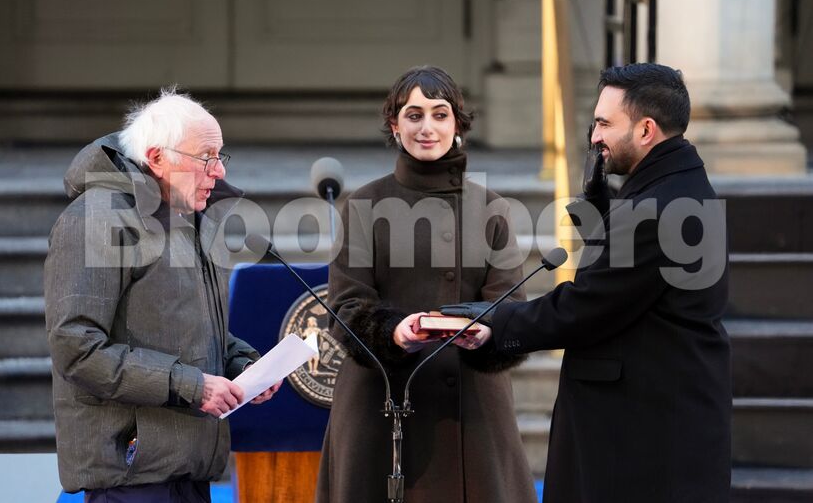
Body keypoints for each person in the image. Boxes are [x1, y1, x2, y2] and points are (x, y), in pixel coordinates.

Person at [443, 63, 732, 503]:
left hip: (640, 441)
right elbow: (627, 283)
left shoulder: (656, 209)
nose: (594, 136)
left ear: (646, 130)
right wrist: (598, 207)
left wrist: (497, 323)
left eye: (603, 123)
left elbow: (588, 305)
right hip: (650, 428)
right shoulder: (678, 187)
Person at [44, 88, 281, 502]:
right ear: (156, 158)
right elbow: (76, 348)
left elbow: (189, 329)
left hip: (189, 467)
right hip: (131, 472)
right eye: (206, 157)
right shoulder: (95, 219)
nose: (219, 171)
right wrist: (192, 386)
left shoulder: (189, 219)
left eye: (220, 156)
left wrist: (242, 366)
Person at [316, 66, 537, 503]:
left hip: (470, 411)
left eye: (439, 114)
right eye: (414, 116)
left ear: (458, 124)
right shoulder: (363, 205)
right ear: (394, 126)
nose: (427, 128)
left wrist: (487, 332)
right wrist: (394, 333)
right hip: (380, 405)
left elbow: (511, 307)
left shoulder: (492, 208)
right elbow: (345, 308)